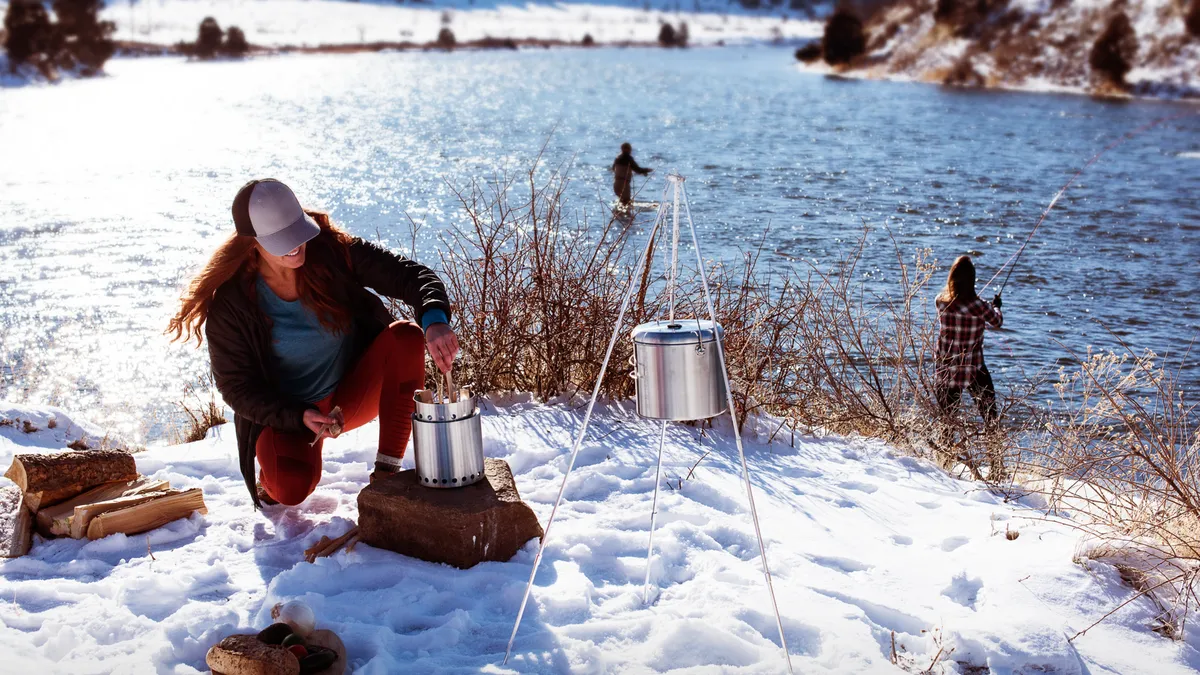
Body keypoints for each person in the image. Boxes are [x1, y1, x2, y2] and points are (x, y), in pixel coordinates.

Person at [168, 179, 459, 508]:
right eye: (281, 240)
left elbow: (410, 275)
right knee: (290, 490)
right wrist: (298, 416)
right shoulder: (232, 306)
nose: (295, 246)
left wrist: (434, 319)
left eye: (297, 232)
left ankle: (386, 476)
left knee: (406, 336)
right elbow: (236, 388)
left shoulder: (331, 253)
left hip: (347, 398)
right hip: (288, 417)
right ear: (253, 243)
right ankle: (274, 475)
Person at [934, 255, 1003, 426]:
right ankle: (994, 450)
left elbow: (956, 302)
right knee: (990, 417)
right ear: (972, 280)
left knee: (947, 421)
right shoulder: (980, 306)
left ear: (952, 278)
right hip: (974, 368)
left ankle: (944, 450)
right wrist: (996, 306)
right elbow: (997, 322)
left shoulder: (941, 303)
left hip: (946, 369)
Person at [612, 142, 653, 207]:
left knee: (622, 204)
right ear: (628, 149)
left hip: (616, 184)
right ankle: (626, 217)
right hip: (624, 185)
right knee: (627, 205)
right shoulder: (628, 158)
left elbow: (613, 169)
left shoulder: (617, 158)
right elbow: (637, 170)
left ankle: (619, 216)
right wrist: (647, 170)